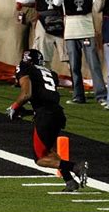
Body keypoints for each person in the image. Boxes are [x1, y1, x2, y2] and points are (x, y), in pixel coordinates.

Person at [6, 49, 88, 192]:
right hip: (57, 113)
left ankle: (75, 167)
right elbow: (45, 98)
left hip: (46, 116)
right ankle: (69, 181)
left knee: (40, 158)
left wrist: (14, 106)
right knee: (48, 151)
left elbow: (27, 93)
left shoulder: (25, 67)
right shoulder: (52, 74)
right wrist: (27, 112)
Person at [53, 0, 107, 105]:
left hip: (87, 28)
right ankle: (78, 95)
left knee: (94, 64)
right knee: (74, 65)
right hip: (70, 31)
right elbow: (56, 2)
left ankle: (101, 95)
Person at [22, 0, 68, 68]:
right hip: (42, 21)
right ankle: (46, 81)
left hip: (61, 21)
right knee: (43, 56)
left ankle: (76, 84)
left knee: (68, 56)